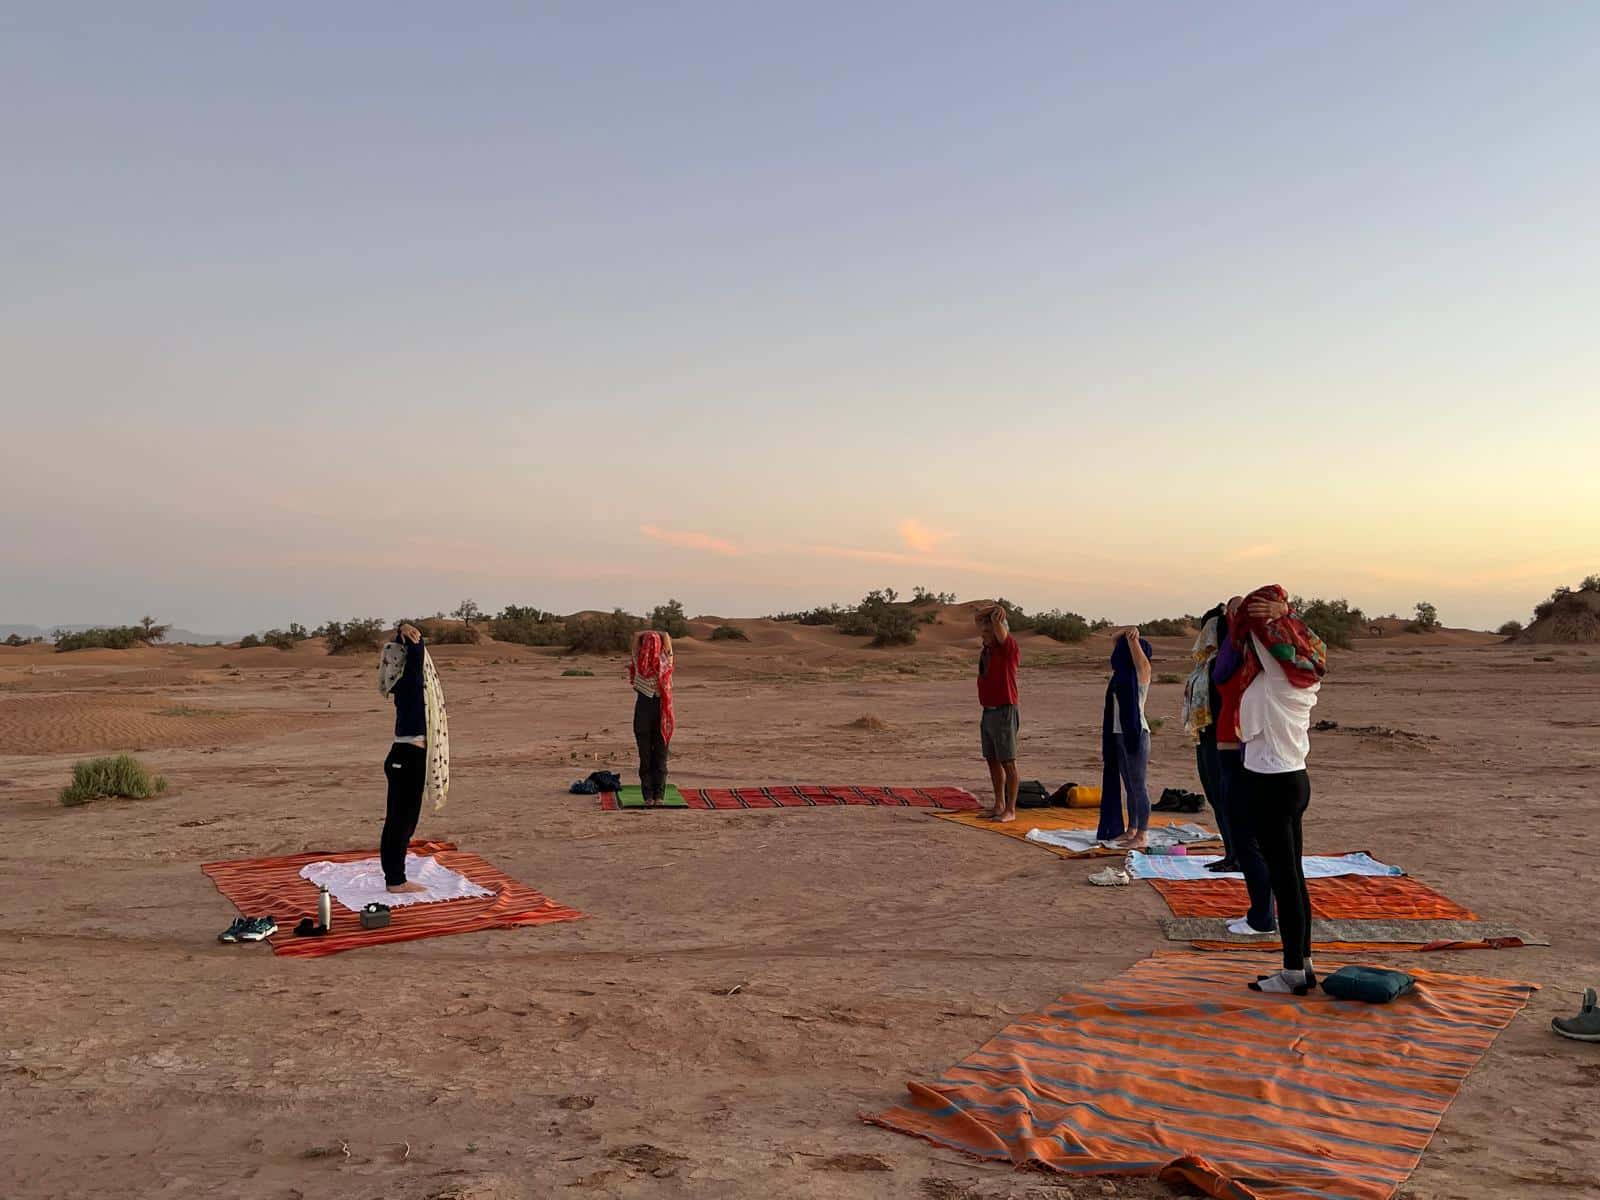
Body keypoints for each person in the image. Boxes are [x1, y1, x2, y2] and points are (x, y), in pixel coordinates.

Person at [1231, 586, 1327, 995]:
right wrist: (1286, 615)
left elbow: (1256, 635)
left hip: (1271, 783)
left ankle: (1291, 971)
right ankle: (1302, 963)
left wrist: (1269, 618)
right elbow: (1298, 639)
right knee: (1292, 877)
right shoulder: (1303, 678)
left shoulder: (1275, 677)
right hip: (1292, 780)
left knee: (1284, 881)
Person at [1212, 595, 1278, 934]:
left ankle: (1263, 917)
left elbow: (1221, 672)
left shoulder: (1244, 650)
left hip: (1240, 748)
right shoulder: (1250, 649)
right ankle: (1260, 910)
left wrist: (1235, 621)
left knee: (1248, 837)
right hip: (1239, 747)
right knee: (1250, 837)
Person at [376, 622, 451, 894]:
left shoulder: (399, 683)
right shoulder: (408, 683)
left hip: (402, 758)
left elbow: (413, 654)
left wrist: (401, 632)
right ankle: (396, 880)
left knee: (399, 820)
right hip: (407, 759)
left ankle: (394, 876)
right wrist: (407, 633)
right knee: (401, 822)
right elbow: (417, 654)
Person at [1183, 603, 1233, 867]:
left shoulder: (1223, 665)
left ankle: (1236, 854)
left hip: (1221, 739)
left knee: (1226, 797)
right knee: (1214, 794)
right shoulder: (1205, 665)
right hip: (1205, 736)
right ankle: (1231, 851)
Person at [1099, 629, 1153, 849]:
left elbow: (1135, 655)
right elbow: (1113, 639)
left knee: (1139, 786)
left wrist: (1133, 638)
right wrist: (1125, 631)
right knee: (1129, 786)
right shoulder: (1120, 677)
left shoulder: (1140, 673)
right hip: (1118, 735)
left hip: (1136, 734)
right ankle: (1132, 828)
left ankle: (1142, 833)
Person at [974, 605, 1021, 822]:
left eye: (987, 632)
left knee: (1007, 761)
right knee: (992, 759)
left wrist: (997, 615)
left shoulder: (1008, 648)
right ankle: (998, 804)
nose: (983, 636)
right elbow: (977, 618)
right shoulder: (988, 650)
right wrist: (993, 608)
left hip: (1004, 710)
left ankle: (1010, 809)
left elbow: (1001, 631)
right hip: (988, 711)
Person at [628, 630, 676, 805]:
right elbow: (667, 637)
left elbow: (635, 641)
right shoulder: (660, 663)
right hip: (648, 713)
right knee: (649, 757)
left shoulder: (658, 664)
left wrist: (644, 634)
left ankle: (656, 796)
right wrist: (659, 635)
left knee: (656, 757)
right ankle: (651, 796)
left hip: (657, 715)